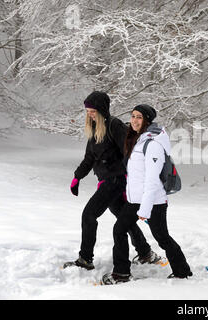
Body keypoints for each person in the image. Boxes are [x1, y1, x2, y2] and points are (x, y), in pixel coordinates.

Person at [65, 91, 160, 270]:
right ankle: (146, 252)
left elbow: (130, 153)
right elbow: (89, 157)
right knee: (123, 218)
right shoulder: (95, 129)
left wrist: (133, 181)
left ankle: (85, 259)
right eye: (88, 111)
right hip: (107, 180)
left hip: (115, 180)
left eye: (93, 111)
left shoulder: (114, 126)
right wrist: (77, 176)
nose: (90, 114)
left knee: (89, 214)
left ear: (102, 110)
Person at [102, 104, 192, 284]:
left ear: (147, 121)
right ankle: (121, 273)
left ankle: (182, 271)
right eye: (133, 116)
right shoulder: (139, 139)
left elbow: (152, 180)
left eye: (139, 117)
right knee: (119, 229)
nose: (134, 120)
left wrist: (145, 208)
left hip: (153, 201)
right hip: (136, 200)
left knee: (162, 237)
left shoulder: (153, 144)